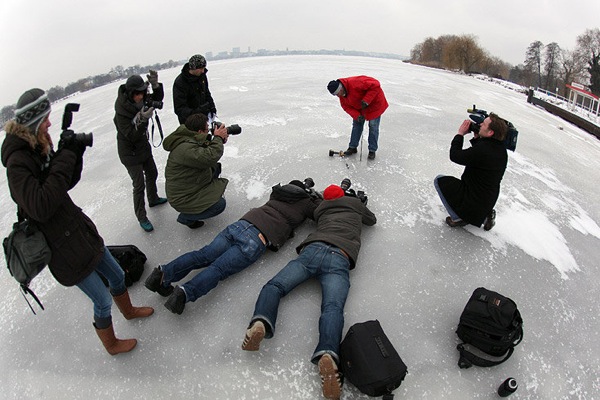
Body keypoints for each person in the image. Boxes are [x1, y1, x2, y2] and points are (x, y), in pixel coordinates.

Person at [1, 89, 154, 356]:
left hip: (79, 231)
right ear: (33, 121)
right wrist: (66, 156)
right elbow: (41, 206)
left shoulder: (37, 148)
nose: (50, 123)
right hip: (63, 249)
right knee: (102, 300)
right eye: (46, 118)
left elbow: (64, 184)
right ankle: (112, 344)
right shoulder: (17, 163)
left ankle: (128, 311)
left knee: (117, 275)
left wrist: (75, 152)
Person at [241, 183, 377, 400]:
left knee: (275, 286)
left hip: (312, 250)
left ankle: (261, 322)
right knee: (332, 308)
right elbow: (372, 220)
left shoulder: (321, 208)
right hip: (340, 256)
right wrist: (359, 203)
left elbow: (315, 213)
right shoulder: (354, 204)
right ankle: (328, 354)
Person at [144, 180, 322, 314]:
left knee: (203, 255)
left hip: (241, 224)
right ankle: (184, 293)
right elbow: (320, 212)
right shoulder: (306, 203)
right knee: (219, 269)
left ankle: (163, 273)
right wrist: (314, 198)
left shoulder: (279, 193)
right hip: (257, 238)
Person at [114, 71, 168, 232]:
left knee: (152, 173)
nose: (141, 97)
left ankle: (153, 198)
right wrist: (143, 120)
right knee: (138, 185)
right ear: (131, 94)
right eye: (137, 94)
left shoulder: (143, 98)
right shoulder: (121, 112)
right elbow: (131, 135)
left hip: (143, 147)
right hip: (129, 153)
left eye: (143, 93)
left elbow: (156, 100)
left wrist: (156, 86)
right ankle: (141, 216)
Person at [434, 114, 509, 230]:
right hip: (487, 200)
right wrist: (476, 139)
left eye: (483, 124)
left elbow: (455, 156)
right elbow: (481, 160)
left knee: (439, 180)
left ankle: (458, 218)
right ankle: (485, 216)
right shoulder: (500, 150)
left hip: (473, 199)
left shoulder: (483, 149)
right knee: (474, 196)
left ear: (490, 133)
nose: (479, 125)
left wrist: (460, 134)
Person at [162, 113, 229, 228]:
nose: (208, 132)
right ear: (199, 131)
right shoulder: (185, 148)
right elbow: (209, 157)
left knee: (215, 167)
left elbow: (203, 148)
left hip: (190, 185)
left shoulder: (187, 138)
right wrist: (217, 138)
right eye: (207, 130)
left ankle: (205, 196)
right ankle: (187, 217)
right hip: (184, 197)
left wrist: (218, 140)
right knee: (219, 205)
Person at [327, 76, 388, 160]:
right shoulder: (342, 97)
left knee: (373, 126)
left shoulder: (356, 82)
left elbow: (376, 85)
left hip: (375, 104)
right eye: (335, 94)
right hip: (360, 108)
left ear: (340, 88)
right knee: (357, 124)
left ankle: (372, 150)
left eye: (337, 93)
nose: (337, 96)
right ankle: (353, 147)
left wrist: (367, 100)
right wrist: (357, 115)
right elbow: (347, 107)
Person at [173, 54, 217, 124]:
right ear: (193, 68)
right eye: (201, 69)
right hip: (189, 123)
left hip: (204, 119)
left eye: (204, 68)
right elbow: (179, 109)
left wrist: (212, 107)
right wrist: (197, 111)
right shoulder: (180, 82)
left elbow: (207, 93)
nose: (203, 71)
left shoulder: (202, 76)